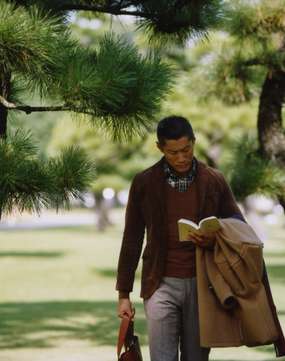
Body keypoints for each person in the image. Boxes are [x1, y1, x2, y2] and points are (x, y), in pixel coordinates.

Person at [116, 115, 245, 361]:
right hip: (159, 285)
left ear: (194, 143)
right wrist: (124, 294)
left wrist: (214, 237)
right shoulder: (144, 182)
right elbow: (131, 239)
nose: (181, 157)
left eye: (186, 149)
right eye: (173, 152)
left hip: (203, 285)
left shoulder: (214, 180)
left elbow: (239, 225)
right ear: (160, 148)